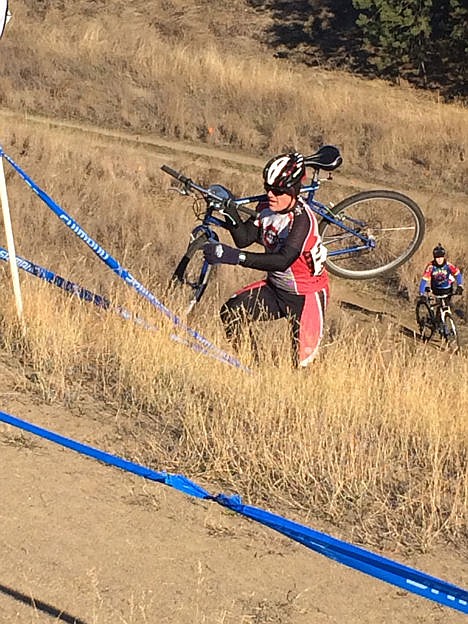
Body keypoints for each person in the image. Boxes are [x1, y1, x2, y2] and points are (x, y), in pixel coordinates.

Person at [203, 152, 329, 367]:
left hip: (306, 297)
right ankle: (254, 369)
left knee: (301, 367)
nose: (271, 194)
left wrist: (235, 257)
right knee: (231, 313)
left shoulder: (301, 221)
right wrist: (229, 211)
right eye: (267, 188)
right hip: (275, 289)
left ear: (293, 190)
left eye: (278, 191)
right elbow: (244, 239)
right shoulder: (266, 209)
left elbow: (283, 260)